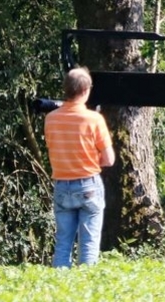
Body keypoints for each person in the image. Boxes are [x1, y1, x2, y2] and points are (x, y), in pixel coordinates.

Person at [43, 66, 115, 268]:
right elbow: (109, 159)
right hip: (88, 184)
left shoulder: (51, 118)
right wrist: (91, 160)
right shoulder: (94, 119)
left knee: (63, 243)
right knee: (89, 244)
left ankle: (59, 291)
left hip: (61, 185)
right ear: (86, 90)